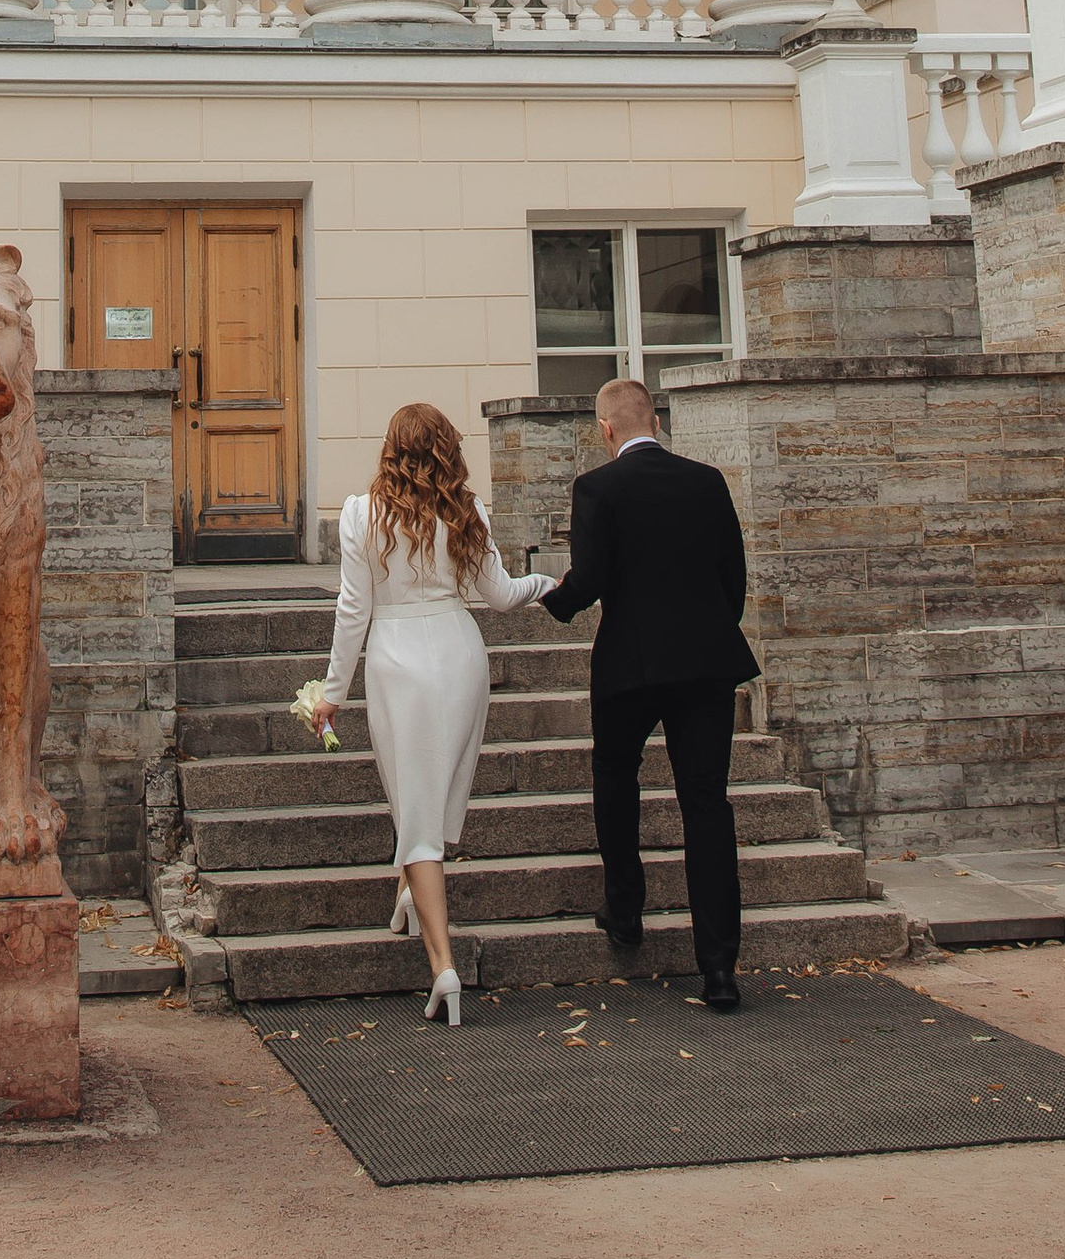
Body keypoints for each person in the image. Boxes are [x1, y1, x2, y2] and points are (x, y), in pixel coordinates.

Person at [316, 402, 556, 1024]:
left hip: (398, 660)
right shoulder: (465, 510)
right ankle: (406, 893)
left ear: (391, 449)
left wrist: (332, 692)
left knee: (416, 807)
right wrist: (544, 585)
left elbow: (352, 610)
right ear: (447, 448)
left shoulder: (360, 513)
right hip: (460, 651)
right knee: (434, 794)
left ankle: (443, 964)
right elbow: (500, 596)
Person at [540, 376, 759, 1013]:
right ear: (655, 421)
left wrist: (542, 596)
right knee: (707, 806)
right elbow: (733, 578)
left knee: (615, 774)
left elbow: (589, 581)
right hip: (705, 662)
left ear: (605, 430)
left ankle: (626, 910)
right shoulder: (707, 481)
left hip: (629, 665)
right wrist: (709, 632)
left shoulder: (597, 487)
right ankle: (719, 970)